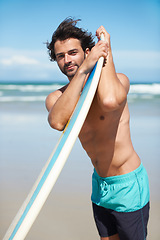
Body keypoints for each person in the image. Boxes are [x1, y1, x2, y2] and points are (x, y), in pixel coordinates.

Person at [45, 18, 150, 240]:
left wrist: (105, 51)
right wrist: (84, 69)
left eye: (73, 53)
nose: (67, 60)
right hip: (100, 185)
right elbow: (57, 122)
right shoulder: (57, 98)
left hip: (128, 184)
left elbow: (110, 101)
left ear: (87, 51)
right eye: (60, 56)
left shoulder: (119, 81)